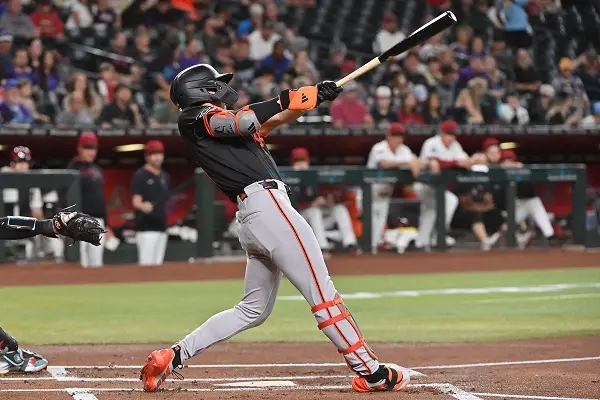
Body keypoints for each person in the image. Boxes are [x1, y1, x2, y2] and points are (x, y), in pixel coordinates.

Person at [139, 64, 409, 393]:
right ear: (200, 90)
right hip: (267, 207)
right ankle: (372, 372)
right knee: (323, 295)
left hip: (256, 215)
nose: (222, 88)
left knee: (252, 310)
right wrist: (287, 97)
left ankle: (174, 355)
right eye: (215, 84)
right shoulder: (196, 118)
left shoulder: (217, 128)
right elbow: (244, 120)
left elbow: (269, 121)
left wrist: (312, 100)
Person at [414, 120, 472, 250]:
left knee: (430, 211)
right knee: (448, 202)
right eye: (448, 134)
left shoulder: (455, 145)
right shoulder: (431, 143)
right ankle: (437, 235)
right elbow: (434, 163)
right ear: (441, 132)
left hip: (438, 187)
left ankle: (422, 242)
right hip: (424, 185)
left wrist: (467, 161)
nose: (451, 137)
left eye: (453, 134)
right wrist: (455, 163)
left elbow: (466, 161)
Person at [290, 147, 359, 253]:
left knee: (339, 208)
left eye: (303, 161)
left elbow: (319, 197)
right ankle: (322, 246)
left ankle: (350, 243)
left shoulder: (312, 176)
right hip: (300, 220)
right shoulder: (289, 178)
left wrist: (326, 202)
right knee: (314, 211)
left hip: (317, 221)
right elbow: (290, 206)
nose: (301, 164)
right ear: (292, 163)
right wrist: (312, 204)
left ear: (307, 162)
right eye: (297, 161)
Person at [366, 123, 422, 251]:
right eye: (395, 135)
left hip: (385, 193)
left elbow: (415, 161)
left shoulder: (403, 150)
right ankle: (365, 249)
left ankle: (373, 249)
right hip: (370, 192)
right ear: (388, 136)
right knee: (370, 223)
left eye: (400, 136)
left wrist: (414, 163)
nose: (398, 139)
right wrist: (407, 162)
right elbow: (384, 163)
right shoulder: (379, 147)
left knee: (379, 224)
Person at [67, 132, 107, 268]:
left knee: (97, 263)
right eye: (87, 148)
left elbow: (101, 198)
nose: (91, 152)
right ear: (79, 148)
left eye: (93, 148)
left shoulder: (97, 169)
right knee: (81, 264)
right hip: (79, 220)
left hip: (97, 220)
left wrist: (107, 223)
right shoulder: (73, 168)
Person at [132, 140, 170, 266]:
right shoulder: (140, 175)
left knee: (159, 266)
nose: (157, 157)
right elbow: (135, 201)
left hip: (162, 227)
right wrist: (143, 206)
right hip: (146, 228)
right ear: (147, 156)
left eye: (160, 153)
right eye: (153, 154)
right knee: (146, 266)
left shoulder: (165, 176)